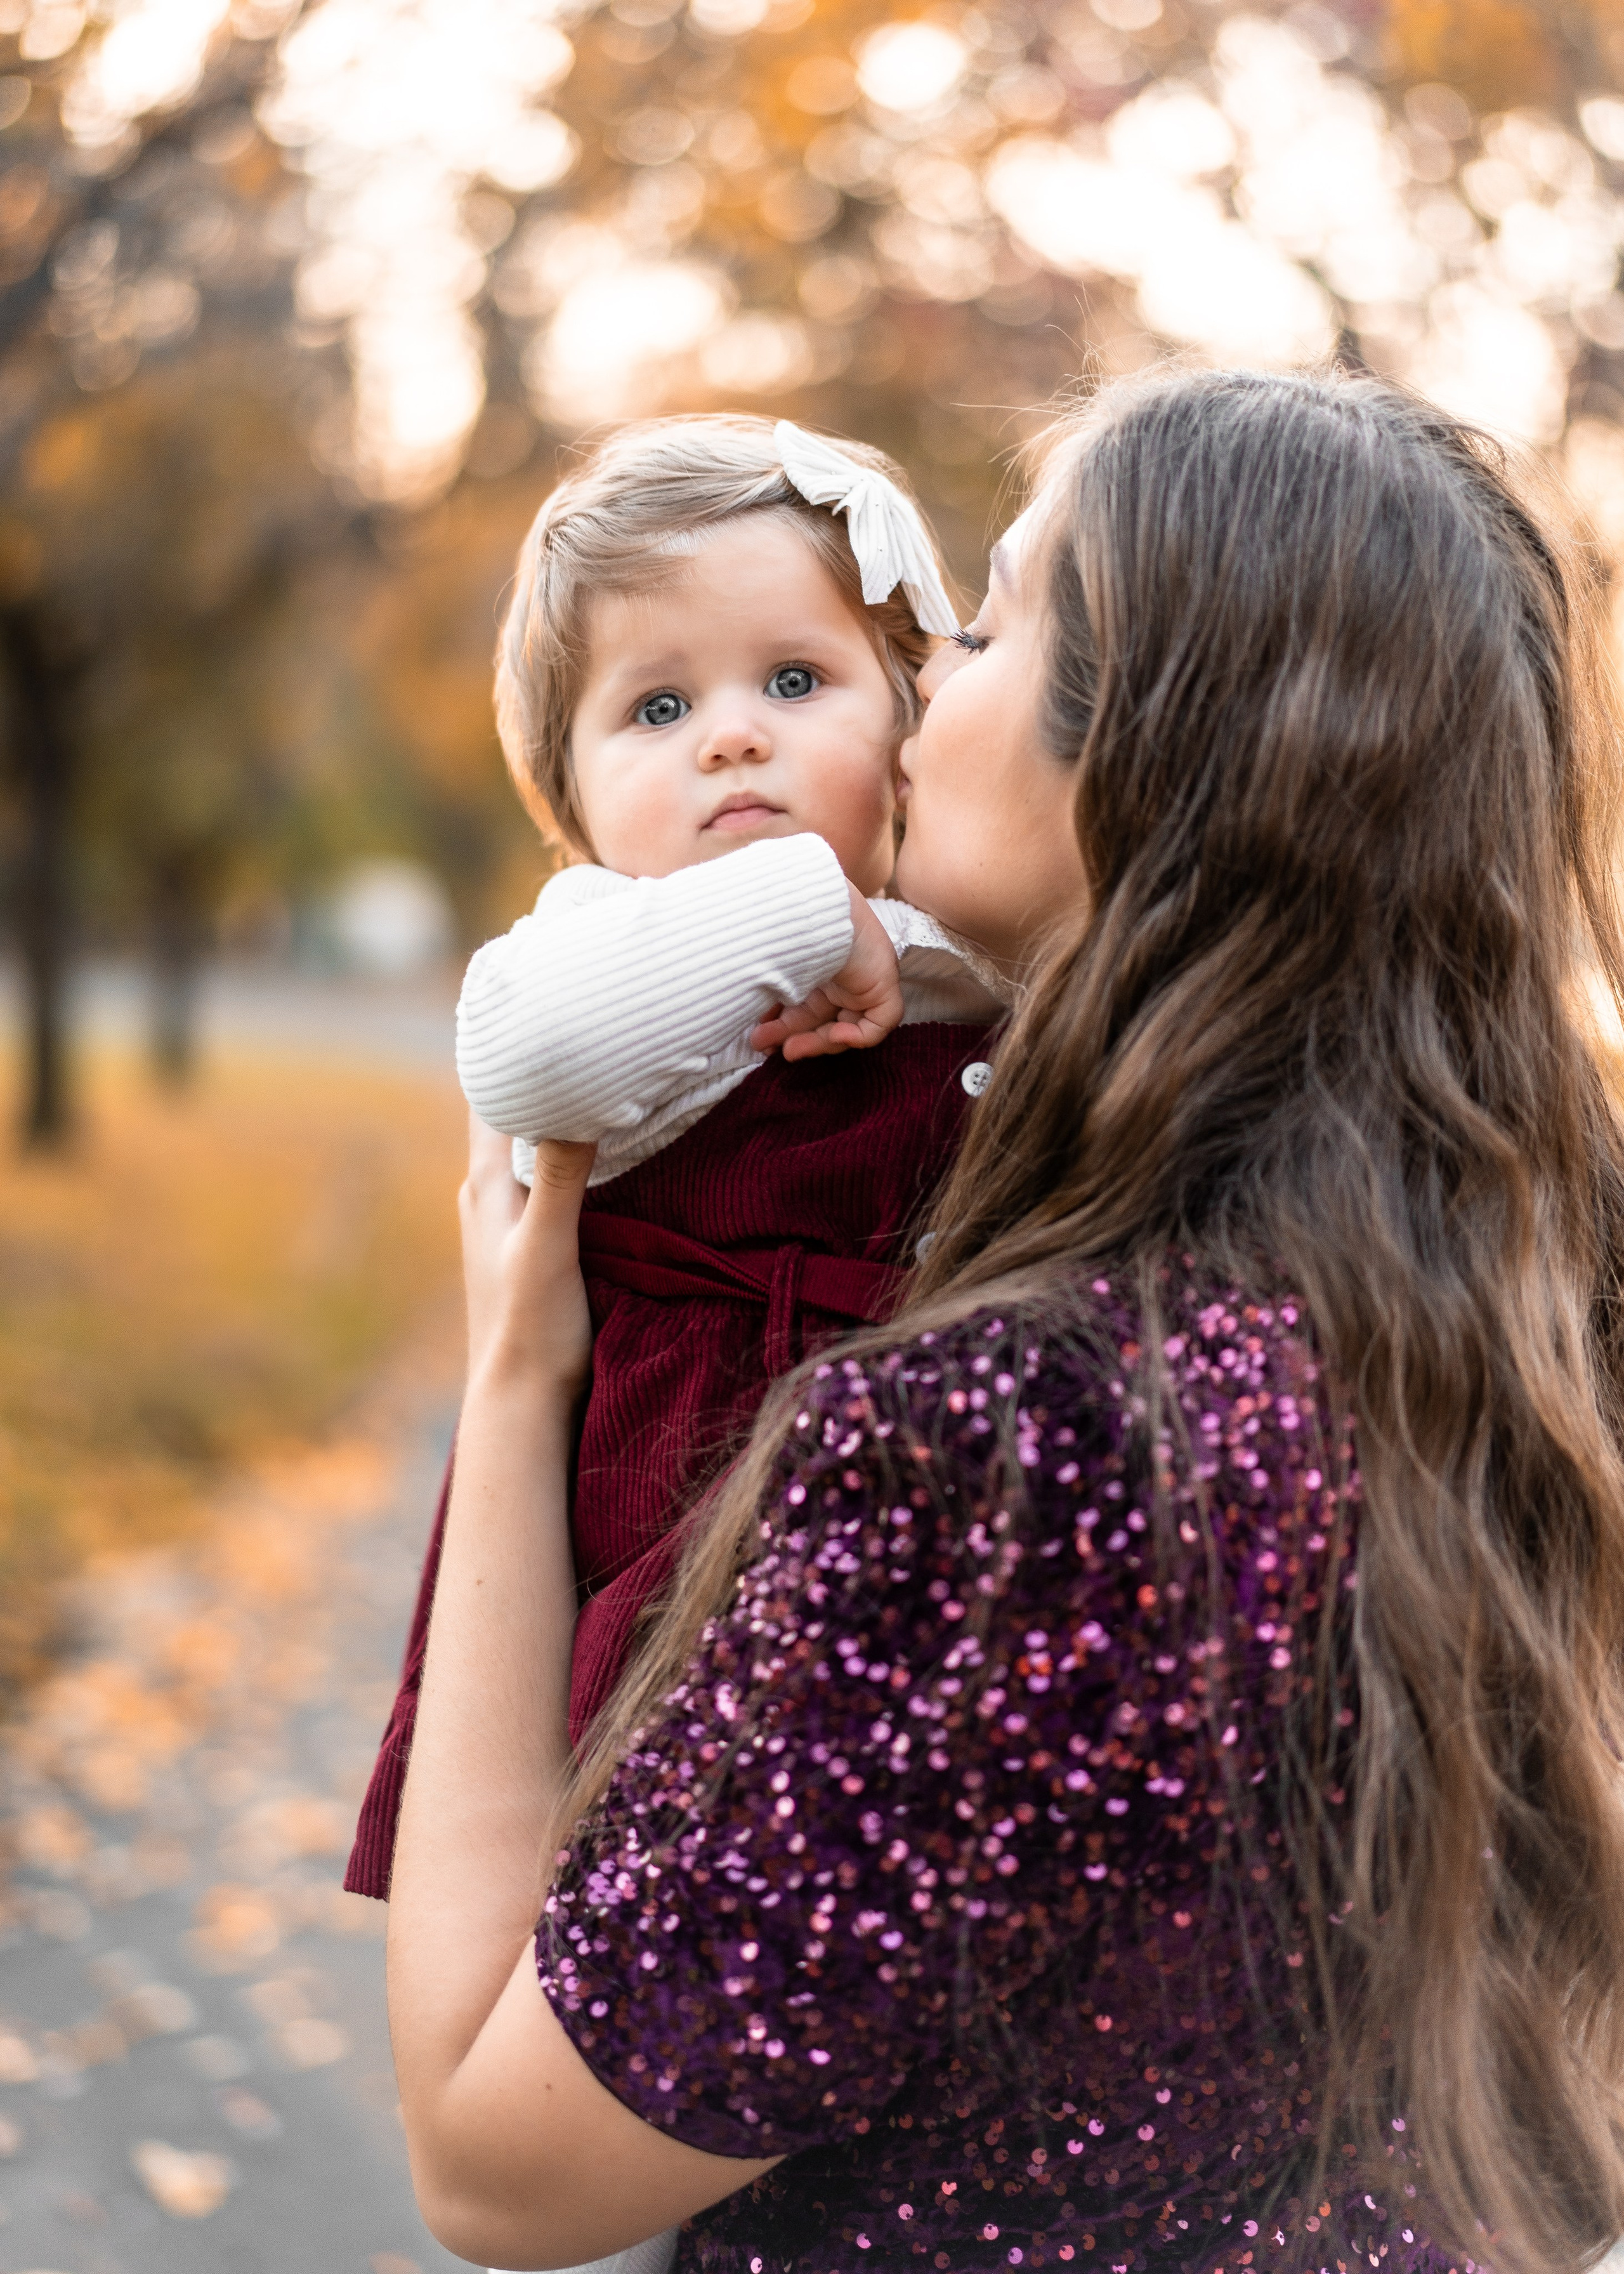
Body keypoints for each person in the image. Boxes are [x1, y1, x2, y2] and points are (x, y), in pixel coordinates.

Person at [386, 366, 1624, 2274]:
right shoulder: (1520, 1303)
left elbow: (493, 2167)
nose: (923, 687)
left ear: (1146, 751)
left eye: (981, 627)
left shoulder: (1021, 1441)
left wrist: (516, 1366)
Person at [346, 416, 1013, 1900]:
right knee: (636, 1897)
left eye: (794, 680)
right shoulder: (610, 937)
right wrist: (803, 907)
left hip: (904, 1562)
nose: (730, 736)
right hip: (665, 1537)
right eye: (656, 707)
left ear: (909, 720)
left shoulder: (961, 948)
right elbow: (525, 1059)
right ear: (571, 798)